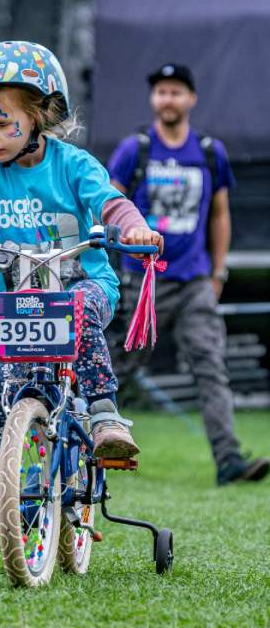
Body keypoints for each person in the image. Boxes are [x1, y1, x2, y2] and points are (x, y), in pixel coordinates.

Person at [0, 40, 163, 531]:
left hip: (84, 284)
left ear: (39, 114)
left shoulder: (72, 166)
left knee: (77, 309)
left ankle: (103, 417)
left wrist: (134, 226)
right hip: (21, 303)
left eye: (1, 122)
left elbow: (108, 202)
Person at [106, 63, 269, 487]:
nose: (168, 99)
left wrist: (218, 271)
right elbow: (109, 207)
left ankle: (229, 460)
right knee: (119, 365)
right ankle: (85, 447)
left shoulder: (210, 152)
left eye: (176, 92)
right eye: (161, 92)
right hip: (142, 281)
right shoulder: (134, 149)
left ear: (191, 99)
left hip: (195, 279)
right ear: (153, 100)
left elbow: (220, 214)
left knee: (211, 365)